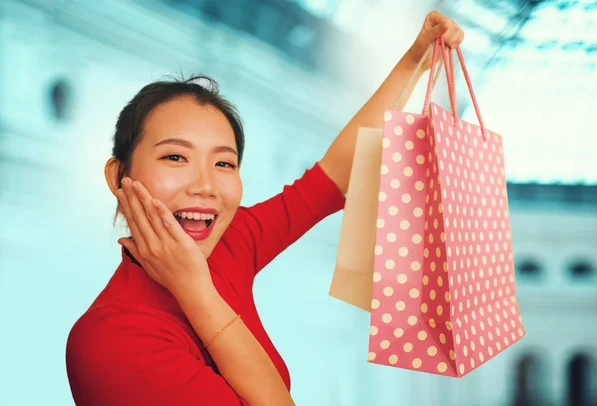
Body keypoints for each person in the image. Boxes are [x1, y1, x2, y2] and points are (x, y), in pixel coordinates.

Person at [65, 11, 464, 406]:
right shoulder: (110, 340)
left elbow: (332, 179)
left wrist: (416, 58)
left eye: (223, 163)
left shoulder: (230, 243)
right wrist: (196, 291)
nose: (205, 186)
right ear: (118, 177)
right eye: (174, 157)